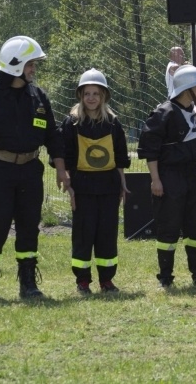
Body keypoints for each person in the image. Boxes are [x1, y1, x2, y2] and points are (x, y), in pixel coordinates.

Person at [0, 36, 69, 299]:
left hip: (31, 171)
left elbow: (53, 136)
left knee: (29, 225)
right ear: (16, 64)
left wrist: (60, 168)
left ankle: (28, 283)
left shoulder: (38, 96)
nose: (34, 69)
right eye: (31, 64)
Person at [137, 64, 196, 288]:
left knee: (194, 227)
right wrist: (156, 179)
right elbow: (150, 151)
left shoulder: (194, 112)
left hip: (192, 176)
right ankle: (165, 277)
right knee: (169, 227)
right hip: (169, 176)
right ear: (187, 88)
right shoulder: (164, 112)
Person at [60, 69, 131, 294]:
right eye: (87, 93)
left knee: (107, 234)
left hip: (108, 187)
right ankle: (82, 281)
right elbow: (64, 156)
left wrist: (122, 184)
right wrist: (69, 185)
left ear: (104, 97)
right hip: (82, 188)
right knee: (83, 233)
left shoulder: (113, 123)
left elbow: (120, 157)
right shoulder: (71, 123)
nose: (91, 98)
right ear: (80, 96)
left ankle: (106, 280)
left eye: (96, 94)